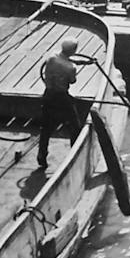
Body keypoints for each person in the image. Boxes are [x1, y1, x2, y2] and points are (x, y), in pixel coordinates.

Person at [37, 38, 82, 170]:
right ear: (74, 51)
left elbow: (56, 64)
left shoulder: (51, 57)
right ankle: (75, 155)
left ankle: (41, 156)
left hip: (48, 94)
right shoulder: (71, 67)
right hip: (62, 97)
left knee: (46, 128)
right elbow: (72, 81)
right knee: (75, 126)